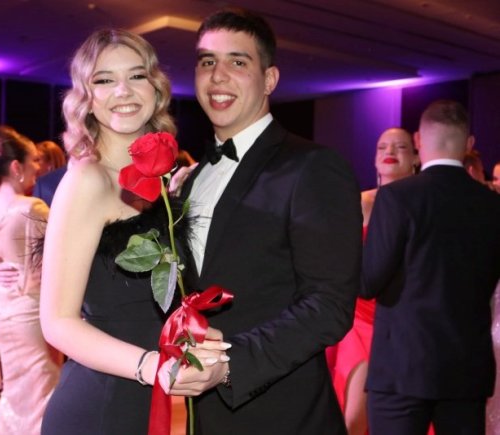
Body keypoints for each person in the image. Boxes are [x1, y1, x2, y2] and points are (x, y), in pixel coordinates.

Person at [172, 9, 362, 434]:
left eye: (237, 62)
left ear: (270, 79)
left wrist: (230, 365)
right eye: (207, 61)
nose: (217, 76)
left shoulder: (313, 167)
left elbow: (329, 305)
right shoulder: (193, 178)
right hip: (205, 416)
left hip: (284, 415)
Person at [38, 28, 228, 435]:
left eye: (136, 75)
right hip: (97, 407)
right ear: (86, 98)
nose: (123, 90)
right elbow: (57, 322)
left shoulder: (159, 183)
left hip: (138, 402)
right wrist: (152, 366)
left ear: (156, 89)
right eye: (104, 80)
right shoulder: (87, 180)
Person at [361, 100, 500, 434]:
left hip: (402, 366)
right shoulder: (492, 205)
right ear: (468, 143)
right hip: (466, 368)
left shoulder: (396, 198)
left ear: (419, 140)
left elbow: (368, 282)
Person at [328, 127, 418, 435]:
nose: (390, 151)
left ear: (416, 156)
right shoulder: (359, 204)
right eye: (382, 147)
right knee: (354, 417)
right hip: (360, 320)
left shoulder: (423, 204)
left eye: (400, 146)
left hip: (407, 320)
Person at [0, 132, 61, 434]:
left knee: (14, 389)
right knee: (42, 386)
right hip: (31, 310)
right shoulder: (32, 207)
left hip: (2, 307)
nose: (37, 167)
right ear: (15, 167)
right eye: (33, 160)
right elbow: (61, 256)